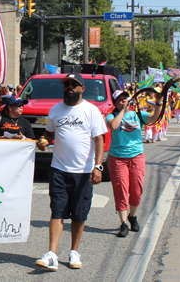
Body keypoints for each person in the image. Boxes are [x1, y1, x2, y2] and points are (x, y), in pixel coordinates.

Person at [36, 73, 108, 271]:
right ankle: (52, 254)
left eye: (74, 85)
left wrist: (98, 166)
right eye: (67, 84)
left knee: (79, 213)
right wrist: (44, 140)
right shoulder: (55, 110)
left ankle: (74, 251)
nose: (69, 87)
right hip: (59, 169)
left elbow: (99, 140)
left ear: (82, 89)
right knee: (57, 210)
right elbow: (50, 132)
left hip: (83, 172)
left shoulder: (91, 110)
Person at [106, 90, 162, 237]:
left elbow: (153, 118)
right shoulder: (111, 116)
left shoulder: (137, 115)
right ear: (115, 103)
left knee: (136, 191)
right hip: (118, 158)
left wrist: (159, 102)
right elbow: (113, 126)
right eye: (120, 100)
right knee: (121, 190)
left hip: (137, 156)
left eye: (125, 98)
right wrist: (123, 111)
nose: (124, 101)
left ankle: (132, 216)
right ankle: (123, 223)